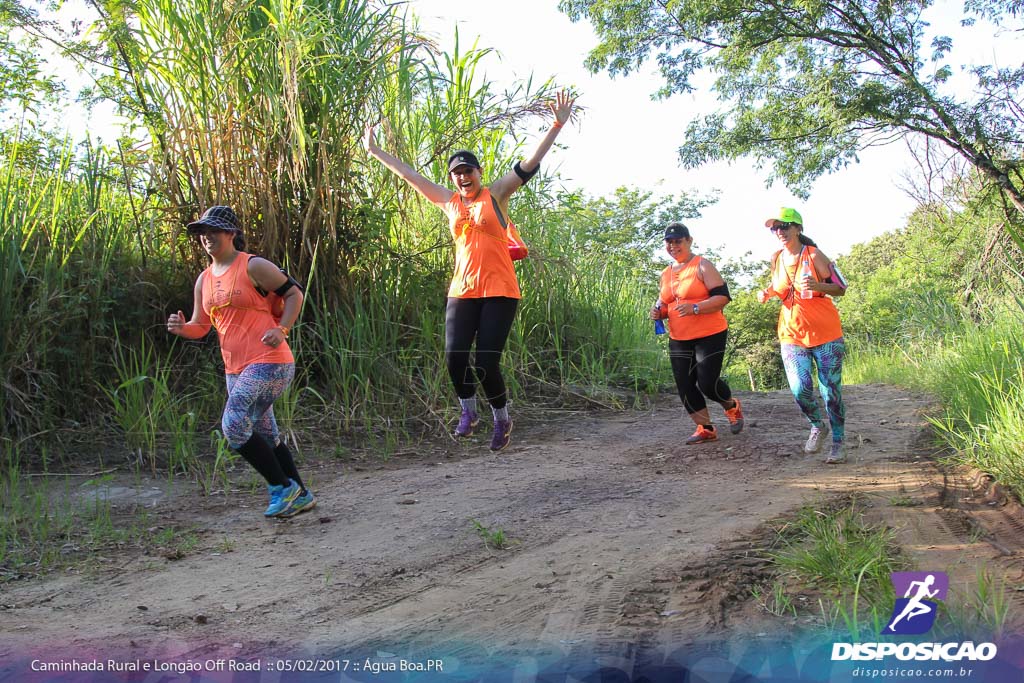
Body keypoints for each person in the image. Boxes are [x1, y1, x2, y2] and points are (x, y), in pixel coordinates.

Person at [363, 91, 575, 451]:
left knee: (486, 362)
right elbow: (410, 176)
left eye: (468, 171)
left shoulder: (496, 194)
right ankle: (468, 412)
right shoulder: (448, 201)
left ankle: (501, 418)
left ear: (479, 173)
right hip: (462, 290)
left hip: (499, 291)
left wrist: (556, 125)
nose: (463, 177)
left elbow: (529, 163)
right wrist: (375, 152)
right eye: (457, 173)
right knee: (454, 357)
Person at [167, 206, 316, 517]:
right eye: (203, 232)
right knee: (265, 435)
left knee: (233, 424)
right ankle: (300, 494)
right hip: (234, 369)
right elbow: (202, 326)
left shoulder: (253, 266)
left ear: (231, 233)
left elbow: (294, 293)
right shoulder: (204, 280)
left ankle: (282, 488)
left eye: (214, 230)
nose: (207, 237)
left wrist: (282, 328)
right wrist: (184, 330)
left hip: (270, 361)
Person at [757, 207, 849, 464]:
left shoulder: (814, 255)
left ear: (798, 228)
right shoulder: (776, 258)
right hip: (791, 333)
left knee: (830, 390)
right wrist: (768, 293)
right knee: (800, 388)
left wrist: (819, 286)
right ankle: (818, 425)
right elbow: (779, 288)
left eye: (784, 226)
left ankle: (838, 442)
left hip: (826, 333)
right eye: (776, 228)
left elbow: (842, 287)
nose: (780, 232)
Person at [650, 223, 744, 444]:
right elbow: (666, 304)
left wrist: (696, 308)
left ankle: (731, 406)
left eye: (678, 241)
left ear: (689, 241)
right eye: (669, 242)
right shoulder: (665, 274)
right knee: (684, 384)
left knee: (707, 383)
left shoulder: (702, 265)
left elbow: (723, 298)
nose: (674, 246)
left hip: (709, 333)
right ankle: (706, 428)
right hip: (679, 337)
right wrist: (658, 313)